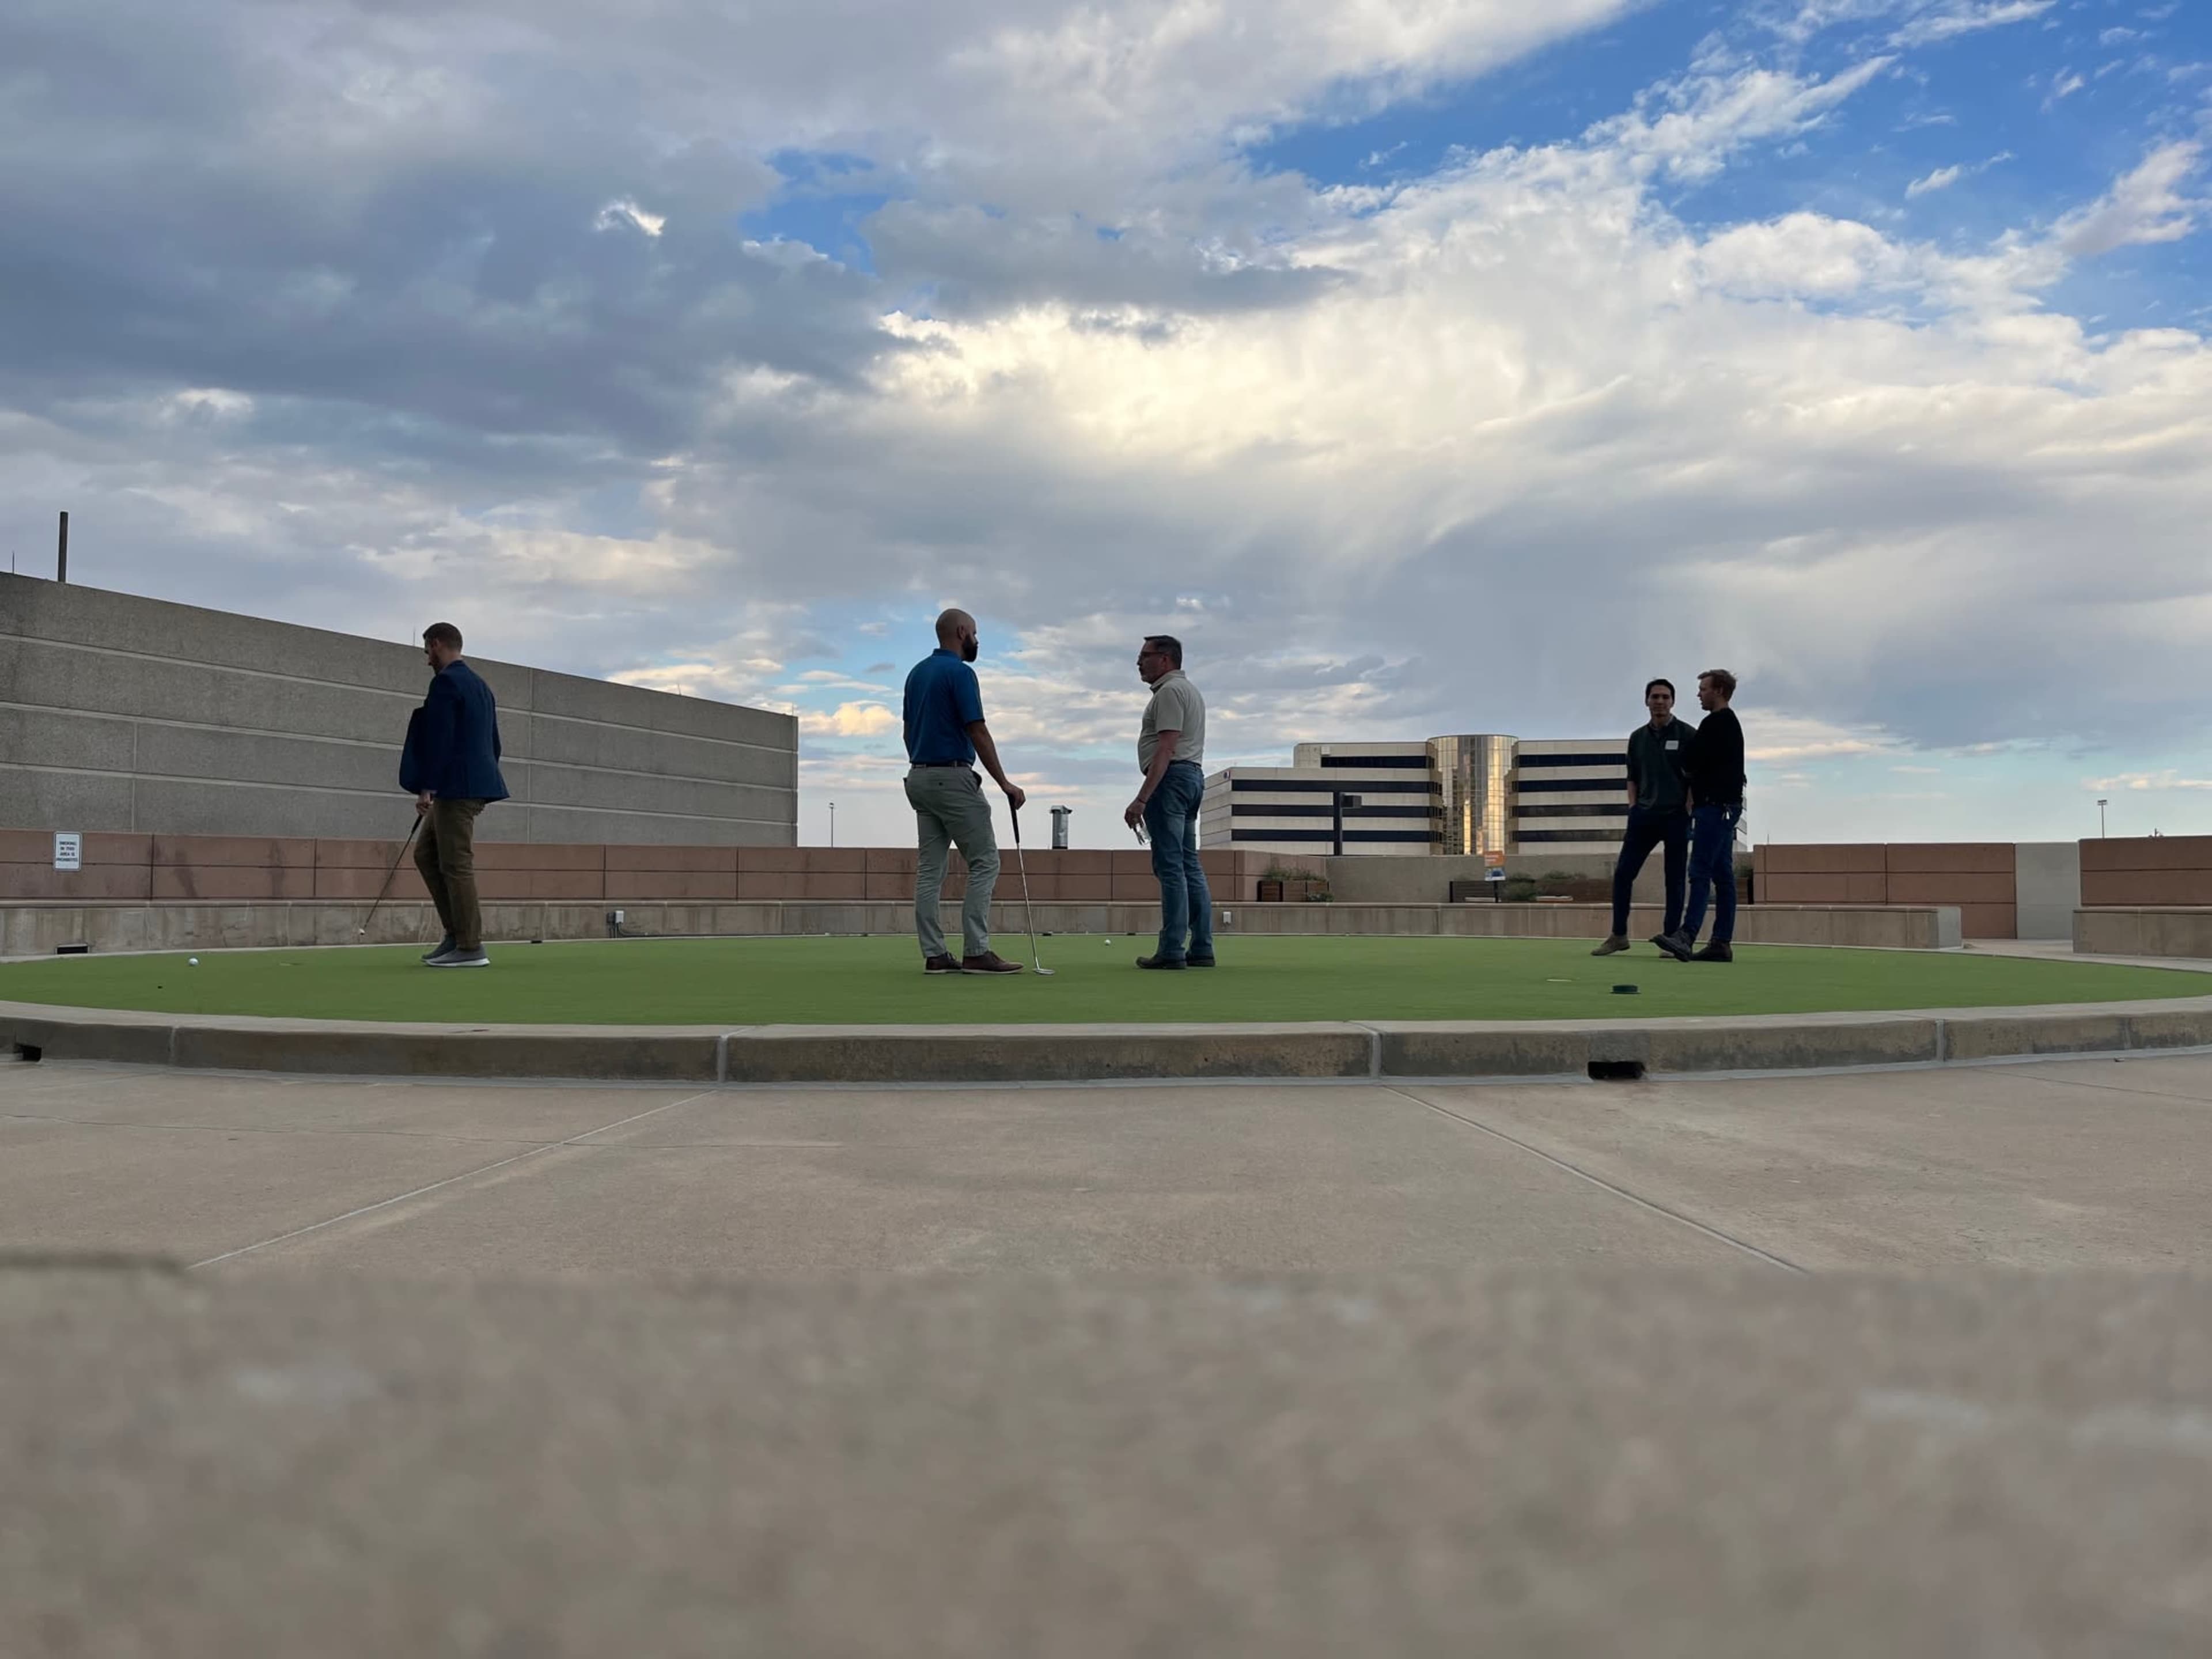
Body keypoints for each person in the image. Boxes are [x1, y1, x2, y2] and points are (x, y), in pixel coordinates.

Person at [902, 608, 1025, 975]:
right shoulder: (961, 673)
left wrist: (922, 760)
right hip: (952, 777)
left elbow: (908, 731)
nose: (976, 639)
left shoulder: (917, 673)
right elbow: (978, 730)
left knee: (930, 870)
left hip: (919, 777)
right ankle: (977, 950)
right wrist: (1005, 783)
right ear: (961, 632)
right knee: (985, 861)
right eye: (974, 632)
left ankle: (935, 954)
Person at [399, 623, 507, 968]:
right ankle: (455, 934)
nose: (426, 659)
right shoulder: (481, 686)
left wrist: (427, 786)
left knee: (456, 863)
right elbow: (494, 743)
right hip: (470, 784)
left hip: (455, 788)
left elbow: (439, 739)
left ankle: (470, 946)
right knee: (427, 854)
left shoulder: (445, 683)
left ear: (436, 644)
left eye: (426, 651)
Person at [1123, 635, 1212, 969]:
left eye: (1145, 655)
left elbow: (1166, 748)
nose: (1139, 662)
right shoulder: (1189, 691)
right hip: (1191, 778)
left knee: (1171, 866)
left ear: (1165, 659)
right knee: (1189, 864)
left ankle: (1172, 948)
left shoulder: (1170, 693)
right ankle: (1202, 946)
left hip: (1171, 781)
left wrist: (1142, 798)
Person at [1591, 677, 1692, 958]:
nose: (1660, 702)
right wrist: (1633, 806)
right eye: (1655, 697)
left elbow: (1696, 778)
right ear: (1646, 701)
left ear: (1673, 701)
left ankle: (1671, 939)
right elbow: (1632, 777)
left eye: (1665, 697)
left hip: (1676, 817)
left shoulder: (1687, 735)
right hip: (1643, 817)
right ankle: (1618, 935)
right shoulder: (1637, 738)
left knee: (1674, 880)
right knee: (1623, 874)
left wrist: (1688, 807)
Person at [1660, 669, 1745, 963]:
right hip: (1725, 807)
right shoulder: (1729, 725)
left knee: (1700, 871)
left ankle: (1687, 935)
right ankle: (1721, 942)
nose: (1699, 694)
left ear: (1718, 690)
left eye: (1703, 689)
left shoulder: (1715, 724)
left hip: (1714, 807)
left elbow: (1693, 760)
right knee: (1722, 874)